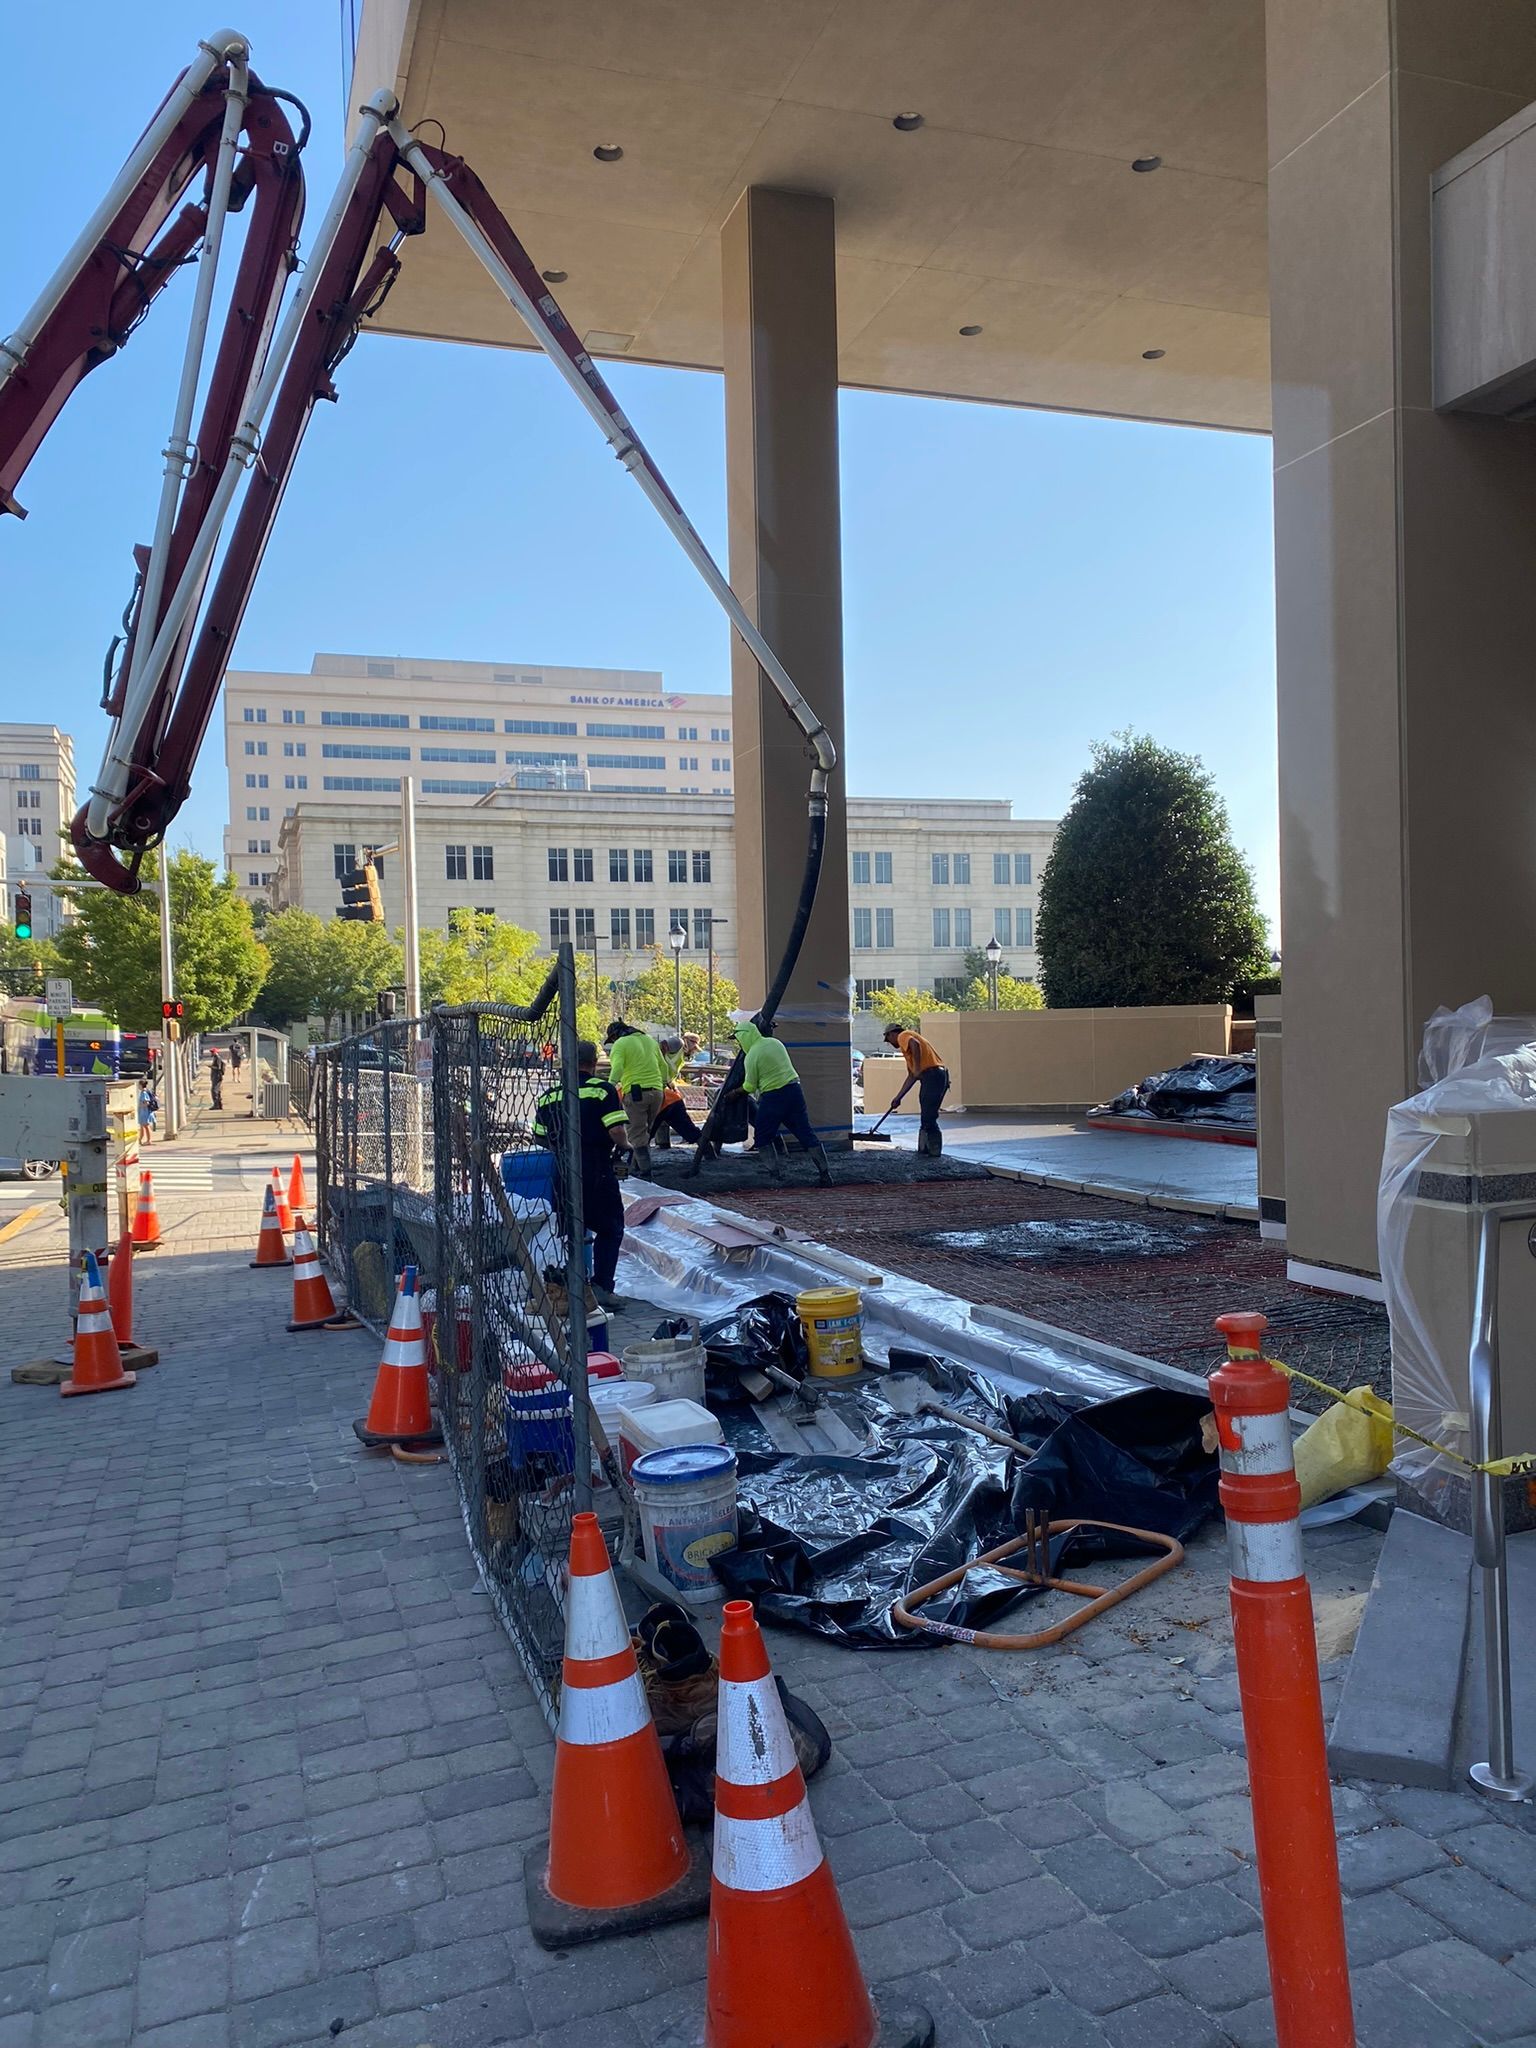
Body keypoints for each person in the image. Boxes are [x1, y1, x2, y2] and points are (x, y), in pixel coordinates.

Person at [533, 1039, 630, 1311]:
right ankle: (601, 1288)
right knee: (610, 1229)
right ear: (594, 1063)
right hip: (596, 1169)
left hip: (562, 1171)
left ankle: (571, 1284)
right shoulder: (603, 1091)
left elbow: (540, 1137)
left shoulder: (549, 1095)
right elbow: (616, 1131)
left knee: (570, 1231)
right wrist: (627, 1146)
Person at [730, 1018, 833, 1186]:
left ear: (744, 1037)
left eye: (739, 1040)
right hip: (794, 1091)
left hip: (773, 1097)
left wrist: (735, 1093)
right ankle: (825, 1173)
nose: (739, 1044)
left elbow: (749, 1086)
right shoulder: (775, 1043)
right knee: (805, 1133)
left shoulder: (752, 1056)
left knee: (763, 1137)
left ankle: (774, 1174)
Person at [603, 1020, 667, 1177]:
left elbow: (617, 1067)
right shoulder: (650, 1041)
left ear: (615, 1035)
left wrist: (609, 1088)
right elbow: (664, 1066)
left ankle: (645, 1173)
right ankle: (636, 1168)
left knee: (636, 1135)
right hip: (657, 1092)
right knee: (644, 1133)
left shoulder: (621, 1044)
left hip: (635, 1093)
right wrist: (663, 1084)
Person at [883, 1023, 950, 1155]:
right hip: (934, 1076)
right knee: (926, 1112)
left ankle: (934, 1151)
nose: (889, 1043)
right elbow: (912, 1077)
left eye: (888, 1039)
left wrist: (918, 1067)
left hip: (933, 1075)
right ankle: (926, 1149)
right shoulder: (907, 1052)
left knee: (929, 1115)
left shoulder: (904, 1035)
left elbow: (915, 1044)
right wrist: (898, 1098)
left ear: (892, 1034)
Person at [650, 1034, 707, 1149]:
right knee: (686, 1126)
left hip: (662, 1091)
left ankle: (638, 1160)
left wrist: (671, 1084)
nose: (693, 1052)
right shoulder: (677, 1043)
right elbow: (661, 1050)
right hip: (661, 1091)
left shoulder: (679, 1053)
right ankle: (707, 1151)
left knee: (648, 1129)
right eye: (694, 1048)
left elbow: (668, 1071)